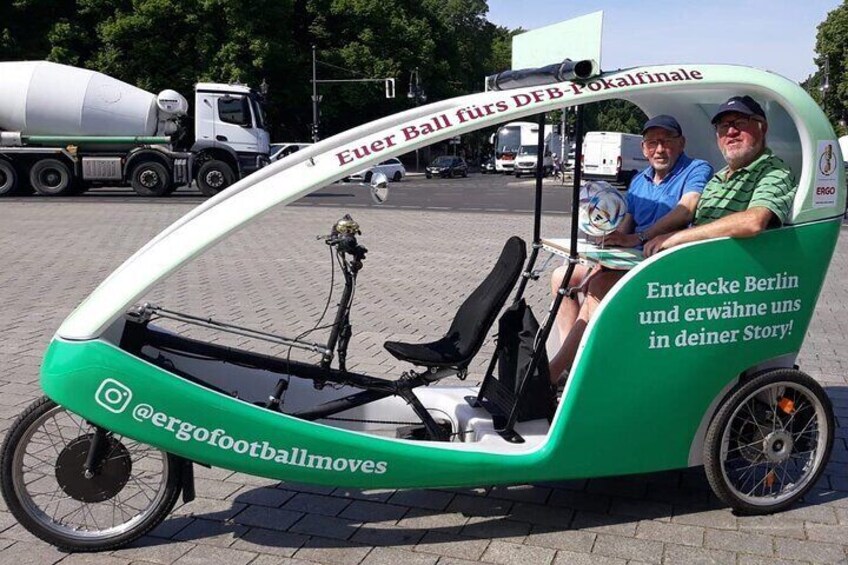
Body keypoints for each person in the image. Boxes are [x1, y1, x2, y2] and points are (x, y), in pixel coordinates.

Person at [549, 115, 713, 384]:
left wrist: (639, 236)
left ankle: (555, 372)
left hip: (666, 261)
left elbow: (687, 209)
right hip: (634, 257)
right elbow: (626, 224)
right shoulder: (639, 180)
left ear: (681, 143)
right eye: (652, 143)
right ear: (643, 149)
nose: (659, 149)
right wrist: (608, 241)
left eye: (666, 142)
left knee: (598, 286)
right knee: (562, 276)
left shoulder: (696, 169)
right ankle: (574, 361)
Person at [643, 96, 795, 256]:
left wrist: (676, 238)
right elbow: (693, 221)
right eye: (723, 126)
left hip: (727, 271)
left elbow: (753, 222)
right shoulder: (717, 178)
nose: (731, 132)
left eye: (741, 123)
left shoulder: (773, 170)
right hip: (694, 261)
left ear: (762, 128)